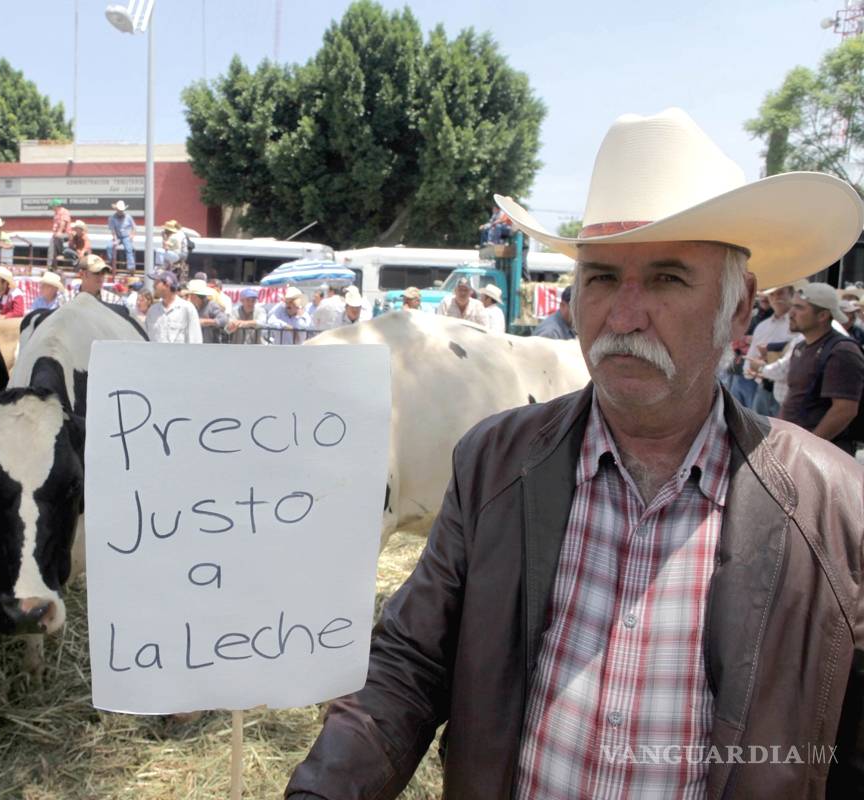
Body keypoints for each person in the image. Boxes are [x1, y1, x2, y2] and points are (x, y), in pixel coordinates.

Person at [287, 108, 864, 799]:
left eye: (668, 278)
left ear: (740, 308)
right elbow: (410, 664)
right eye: (598, 278)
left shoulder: (834, 510)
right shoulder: (495, 464)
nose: (621, 316)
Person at [777, 283, 864, 455]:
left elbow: (845, 409)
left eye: (800, 308)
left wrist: (808, 447)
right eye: (792, 306)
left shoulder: (842, 351)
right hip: (793, 447)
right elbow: (795, 397)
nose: (791, 313)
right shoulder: (801, 347)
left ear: (823, 315)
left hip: (822, 456)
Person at [744, 284, 795, 416]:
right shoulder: (762, 326)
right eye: (772, 294)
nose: (776, 298)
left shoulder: (799, 324)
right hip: (763, 389)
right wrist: (753, 370)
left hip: (788, 393)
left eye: (780, 293)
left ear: (791, 294)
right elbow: (749, 362)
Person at [144, 272, 201, 343]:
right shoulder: (152, 311)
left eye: (157, 282)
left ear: (167, 285)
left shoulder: (187, 309)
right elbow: (146, 337)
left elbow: (195, 340)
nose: (153, 285)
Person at [186, 279, 227, 343]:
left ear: (194, 296)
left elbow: (223, 319)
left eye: (190, 295)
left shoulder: (211, 305)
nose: (189, 297)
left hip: (210, 345)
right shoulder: (191, 307)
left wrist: (206, 322)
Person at [106, 200, 136, 271]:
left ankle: (131, 267)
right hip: (118, 237)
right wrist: (115, 239)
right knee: (109, 247)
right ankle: (111, 264)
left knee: (129, 249)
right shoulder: (112, 218)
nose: (121, 212)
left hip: (126, 236)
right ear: (116, 210)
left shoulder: (128, 217)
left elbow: (134, 227)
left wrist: (132, 235)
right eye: (119, 210)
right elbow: (112, 230)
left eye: (122, 210)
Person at [46, 200, 73, 267]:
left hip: (66, 234)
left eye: (52, 207)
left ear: (56, 206)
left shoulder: (64, 212)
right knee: (52, 245)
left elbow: (63, 223)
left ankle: (61, 253)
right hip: (56, 236)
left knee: (57, 238)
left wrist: (59, 232)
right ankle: (51, 265)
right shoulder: (56, 214)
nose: (52, 209)